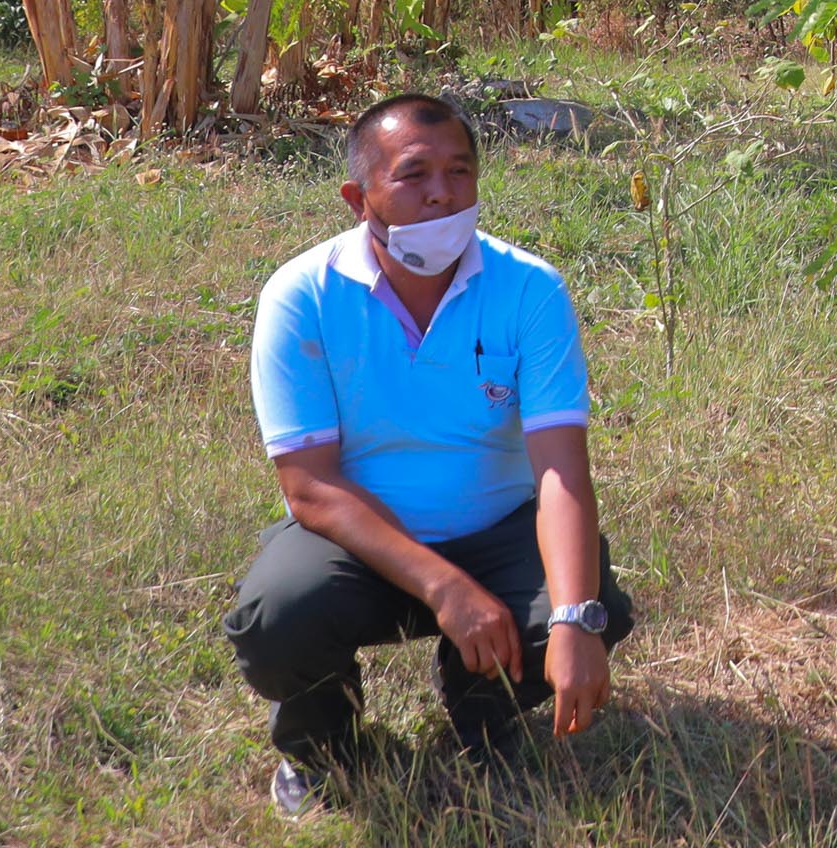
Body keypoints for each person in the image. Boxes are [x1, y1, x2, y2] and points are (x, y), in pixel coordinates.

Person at [223, 93, 635, 817]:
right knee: (278, 617)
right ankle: (326, 754)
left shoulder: (529, 290)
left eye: (459, 170)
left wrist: (576, 618)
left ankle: (483, 712)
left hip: (500, 528)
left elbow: (561, 471)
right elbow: (312, 490)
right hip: (364, 544)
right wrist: (446, 589)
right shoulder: (302, 297)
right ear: (360, 197)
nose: (442, 191)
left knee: (589, 604)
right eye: (414, 175)